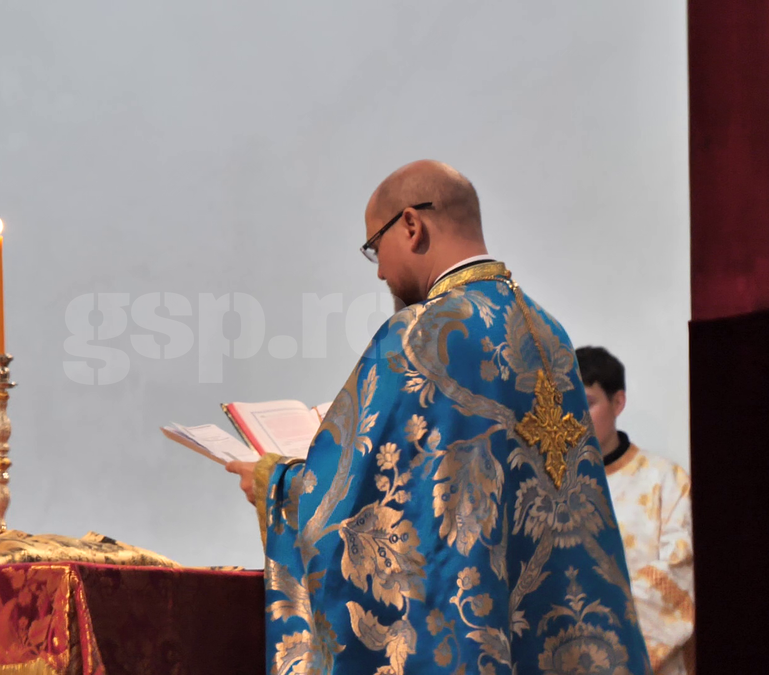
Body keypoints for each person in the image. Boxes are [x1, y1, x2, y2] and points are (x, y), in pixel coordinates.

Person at [227, 160, 649, 673]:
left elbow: (351, 504)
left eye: (374, 248)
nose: (380, 271)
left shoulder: (418, 335)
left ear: (411, 225)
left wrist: (276, 482)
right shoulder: (549, 333)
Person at [576, 346, 694, 674]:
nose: (575, 414)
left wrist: (596, 616)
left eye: (586, 401)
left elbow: (680, 571)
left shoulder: (666, 482)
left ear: (618, 403)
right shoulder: (545, 488)